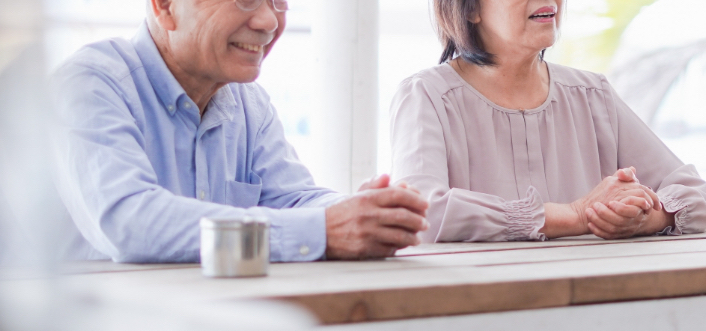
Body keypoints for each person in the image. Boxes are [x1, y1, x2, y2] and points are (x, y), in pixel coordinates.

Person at [53, 0, 429, 263]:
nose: (269, 21)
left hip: (193, 330)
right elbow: (129, 223)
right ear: (165, 5)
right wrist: (325, 229)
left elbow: (294, 201)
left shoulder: (249, 103)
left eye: (278, 0)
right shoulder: (90, 84)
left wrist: (359, 213)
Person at [390, 0, 706, 243]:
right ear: (470, 9)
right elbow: (421, 214)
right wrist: (574, 215)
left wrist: (647, 217)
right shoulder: (426, 96)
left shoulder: (593, 94)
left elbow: (696, 194)